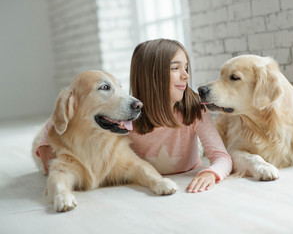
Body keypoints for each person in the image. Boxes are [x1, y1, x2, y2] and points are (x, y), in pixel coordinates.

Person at [36, 38, 232, 193]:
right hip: (137, 186)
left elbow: (222, 157)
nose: (186, 75)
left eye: (186, 68)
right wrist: (45, 147)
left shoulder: (194, 109)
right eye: (175, 68)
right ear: (151, 75)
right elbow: (68, 114)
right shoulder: (127, 112)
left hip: (185, 184)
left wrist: (211, 173)